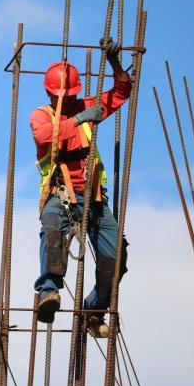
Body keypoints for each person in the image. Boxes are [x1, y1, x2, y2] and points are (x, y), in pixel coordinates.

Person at [29, 38, 131, 338]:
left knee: (116, 263)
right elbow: (44, 137)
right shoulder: (41, 115)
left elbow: (120, 93)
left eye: (73, 96)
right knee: (51, 227)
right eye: (65, 97)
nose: (71, 100)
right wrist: (77, 118)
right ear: (50, 93)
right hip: (59, 193)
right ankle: (49, 291)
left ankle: (93, 309)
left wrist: (114, 64)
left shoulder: (86, 107)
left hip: (94, 197)